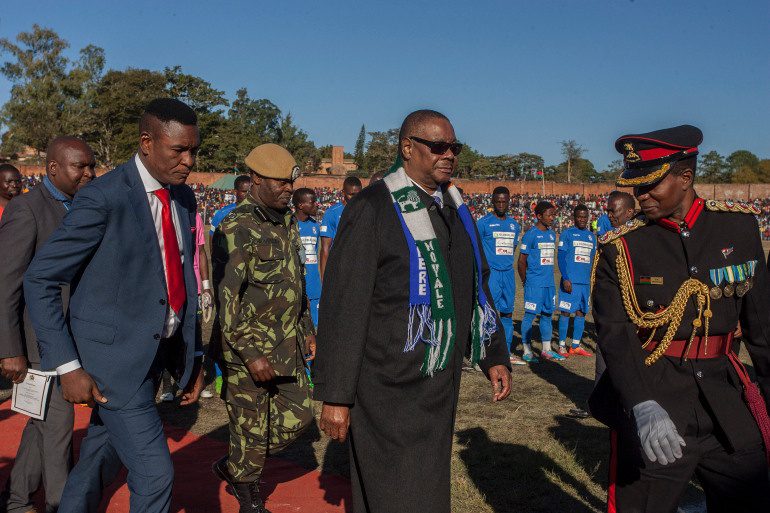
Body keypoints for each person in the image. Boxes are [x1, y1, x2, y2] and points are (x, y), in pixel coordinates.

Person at [314, 109, 511, 513]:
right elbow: (343, 304)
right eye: (437, 146)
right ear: (407, 148)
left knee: (427, 490)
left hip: (437, 381)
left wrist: (493, 354)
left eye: (454, 147)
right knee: (396, 493)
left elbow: (476, 283)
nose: (449, 155)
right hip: (386, 386)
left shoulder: (456, 208)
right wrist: (335, 396)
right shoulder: (373, 207)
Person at [24, 98, 205, 513]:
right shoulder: (104, 196)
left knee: (98, 461)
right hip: (110, 363)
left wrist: (191, 352)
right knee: (155, 475)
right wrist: (67, 366)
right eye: (179, 150)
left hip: (156, 354)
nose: (189, 161)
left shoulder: (184, 198)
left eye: (194, 150)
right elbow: (41, 278)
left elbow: (181, 278)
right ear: (146, 143)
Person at [589, 125, 770, 512]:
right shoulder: (622, 248)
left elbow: (763, 328)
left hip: (726, 398)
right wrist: (641, 403)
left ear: (685, 178)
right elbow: (616, 335)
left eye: (651, 185)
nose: (642, 195)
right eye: (636, 187)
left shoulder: (738, 228)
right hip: (657, 397)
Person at [211, 143, 314, 513]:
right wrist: (251, 354)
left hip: (286, 345)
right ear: (254, 179)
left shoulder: (285, 220)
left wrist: (307, 327)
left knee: (301, 417)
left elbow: (295, 280)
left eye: (291, 181)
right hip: (247, 351)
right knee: (250, 428)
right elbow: (227, 299)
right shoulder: (236, 226)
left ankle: (236, 465)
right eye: (280, 182)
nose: (289, 188)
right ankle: (249, 497)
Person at [0, 137, 95, 513]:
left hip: (72, 337)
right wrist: (9, 348)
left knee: (40, 425)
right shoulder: (27, 209)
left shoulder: (84, 205)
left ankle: (18, 500)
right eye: (80, 167)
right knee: (57, 429)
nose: (89, 173)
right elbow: (6, 283)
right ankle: (60, 504)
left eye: (91, 165)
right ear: (53, 168)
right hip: (38, 341)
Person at [477, 186, 524, 365]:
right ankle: (484, 352)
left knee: (507, 313)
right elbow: (477, 250)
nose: (501, 204)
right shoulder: (483, 223)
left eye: (504, 201)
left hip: (508, 274)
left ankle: (506, 351)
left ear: (509, 201)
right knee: (488, 313)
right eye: (498, 201)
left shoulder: (514, 225)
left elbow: (512, 249)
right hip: (492, 275)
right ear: (492, 202)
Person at [517, 201, 563, 362]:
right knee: (530, 315)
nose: (553, 218)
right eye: (550, 215)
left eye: (554, 215)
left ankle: (546, 350)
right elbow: (521, 262)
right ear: (539, 216)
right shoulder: (531, 235)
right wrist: (526, 281)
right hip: (534, 283)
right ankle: (527, 350)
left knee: (547, 314)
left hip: (549, 283)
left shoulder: (551, 234)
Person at [556, 204, 596, 357]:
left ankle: (575, 345)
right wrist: (566, 278)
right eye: (579, 216)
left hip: (584, 284)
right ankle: (561, 346)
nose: (582, 219)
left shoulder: (591, 237)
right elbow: (560, 257)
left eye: (584, 217)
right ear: (574, 218)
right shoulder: (567, 234)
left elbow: (592, 260)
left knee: (581, 313)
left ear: (588, 218)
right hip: (570, 282)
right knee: (566, 312)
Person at [318, 176, 362, 279]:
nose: (355, 198)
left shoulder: (367, 210)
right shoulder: (331, 213)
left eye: (358, 194)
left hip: (360, 270)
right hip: (339, 270)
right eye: (351, 194)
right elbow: (325, 250)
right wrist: (325, 281)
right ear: (343, 193)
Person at [293, 187, 322, 328]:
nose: (317, 204)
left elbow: (316, 255)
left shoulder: (315, 226)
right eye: (313, 202)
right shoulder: (289, 225)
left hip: (314, 285)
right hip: (296, 285)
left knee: (316, 328)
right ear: (301, 205)